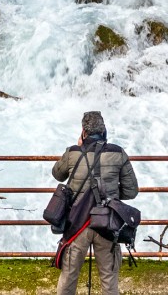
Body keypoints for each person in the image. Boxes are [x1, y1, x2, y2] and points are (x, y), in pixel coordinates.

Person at [51, 111, 138, 295]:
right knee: (109, 280)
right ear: (104, 131)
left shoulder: (73, 153)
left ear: (83, 132)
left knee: (68, 278)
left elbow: (57, 174)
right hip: (107, 224)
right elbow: (132, 191)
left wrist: (77, 147)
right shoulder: (118, 153)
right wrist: (111, 196)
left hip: (77, 225)